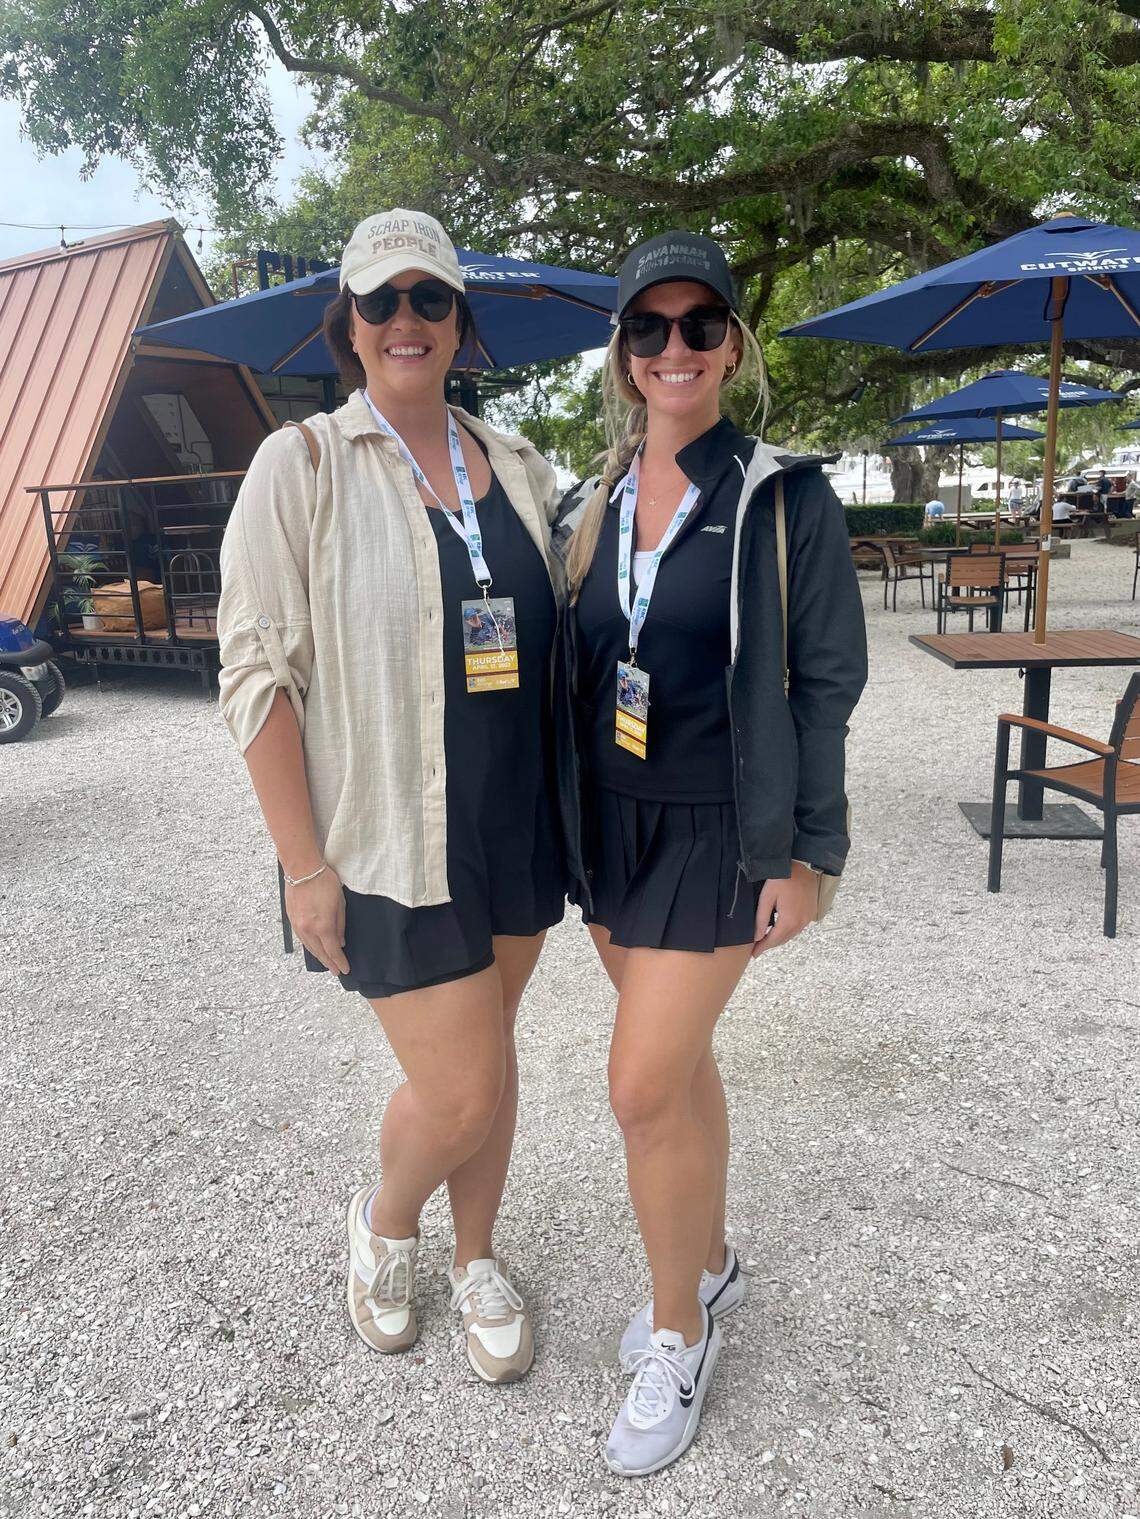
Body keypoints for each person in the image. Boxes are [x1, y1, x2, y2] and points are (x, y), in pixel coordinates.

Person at [216, 210, 566, 1386]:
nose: (406, 319)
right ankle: (384, 1227)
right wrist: (302, 865)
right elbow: (257, 670)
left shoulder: (516, 465)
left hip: (516, 826)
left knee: (495, 1062)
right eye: (381, 301)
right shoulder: (301, 465)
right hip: (384, 841)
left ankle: (476, 1258)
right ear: (348, 327)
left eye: (431, 299)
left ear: (461, 325)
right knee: (458, 1084)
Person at [555, 232, 867, 1476]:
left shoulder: (784, 498)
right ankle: (717, 1258)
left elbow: (829, 682)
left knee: (638, 1087)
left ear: (734, 344)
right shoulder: (597, 500)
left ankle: (678, 1333)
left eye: (699, 326)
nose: (673, 349)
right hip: (614, 833)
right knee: (677, 1075)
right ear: (625, 354)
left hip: (720, 835)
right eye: (650, 328)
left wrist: (806, 851)